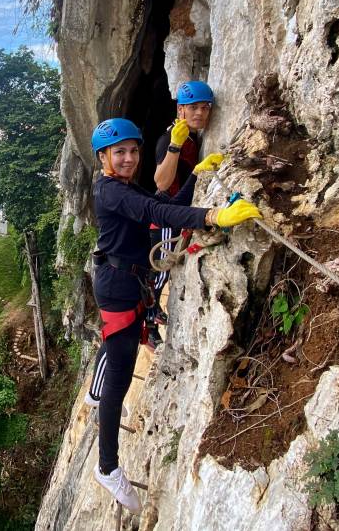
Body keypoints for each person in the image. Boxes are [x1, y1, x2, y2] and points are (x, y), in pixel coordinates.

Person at [85, 118, 261, 513]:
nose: (129, 158)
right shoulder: (110, 190)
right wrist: (212, 217)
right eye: (120, 152)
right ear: (103, 158)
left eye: (133, 150)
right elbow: (153, 211)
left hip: (127, 281)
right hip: (117, 286)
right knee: (118, 378)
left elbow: (163, 207)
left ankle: (103, 418)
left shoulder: (123, 186)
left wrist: (196, 178)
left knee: (119, 365)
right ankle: (107, 466)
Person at [148, 80, 217, 348]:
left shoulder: (191, 138)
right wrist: (174, 147)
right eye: (193, 108)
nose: (199, 113)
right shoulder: (170, 139)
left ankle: (154, 314)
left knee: (165, 271)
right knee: (161, 272)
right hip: (165, 213)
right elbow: (161, 182)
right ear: (181, 111)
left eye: (204, 107)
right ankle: (150, 325)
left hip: (176, 210)